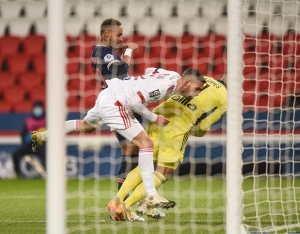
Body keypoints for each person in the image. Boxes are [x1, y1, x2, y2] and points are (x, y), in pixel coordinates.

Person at [31, 68, 206, 221]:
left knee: (86, 126)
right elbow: (134, 103)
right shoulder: (165, 87)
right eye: (197, 89)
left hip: (108, 94)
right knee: (146, 144)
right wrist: (155, 118)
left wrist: (140, 82)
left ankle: (43, 136)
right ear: (187, 83)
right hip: (118, 104)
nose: (197, 94)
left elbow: (151, 70)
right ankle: (151, 193)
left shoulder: (172, 75)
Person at [108, 72, 227, 221]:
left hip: (160, 114)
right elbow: (204, 125)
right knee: (164, 171)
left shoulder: (204, 79)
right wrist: (192, 130)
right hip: (180, 122)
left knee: (147, 165)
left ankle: (117, 201)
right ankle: (125, 206)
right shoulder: (225, 97)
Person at [90, 18, 141, 196]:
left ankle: (125, 200)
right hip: (120, 106)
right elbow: (120, 70)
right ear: (107, 33)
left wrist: (120, 47)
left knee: (131, 152)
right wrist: (128, 50)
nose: (121, 38)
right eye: (118, 35)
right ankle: (126, 200)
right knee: (141, 149)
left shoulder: (99, 51)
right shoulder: (105, 52)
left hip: (115, 104)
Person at [12, 100, 46, 177]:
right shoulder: (28, 121)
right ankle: (17, 174)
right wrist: (31, 137)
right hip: (30, 145)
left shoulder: (47, 120)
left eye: (39, 108)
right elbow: (23, 137)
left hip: (42, 145)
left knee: (44, 153)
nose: (37, 110)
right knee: (15, 154)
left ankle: (47, 173)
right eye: (36, 108)